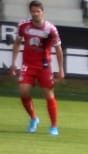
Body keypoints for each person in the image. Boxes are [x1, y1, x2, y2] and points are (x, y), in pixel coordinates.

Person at [12, 1, 65, 136]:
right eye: (33, 11)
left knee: (49, 95)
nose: (35, 14)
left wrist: (61, 69)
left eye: (38, 11)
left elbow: (58, 50)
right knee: (23, 92)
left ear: (42, 12)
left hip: (44, 66)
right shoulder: (23, 26)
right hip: (28, 65)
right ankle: (34, 119)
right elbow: (17, 43)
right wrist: (13, 63)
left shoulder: (50, 29)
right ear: (30, 12)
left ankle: (54, 126)